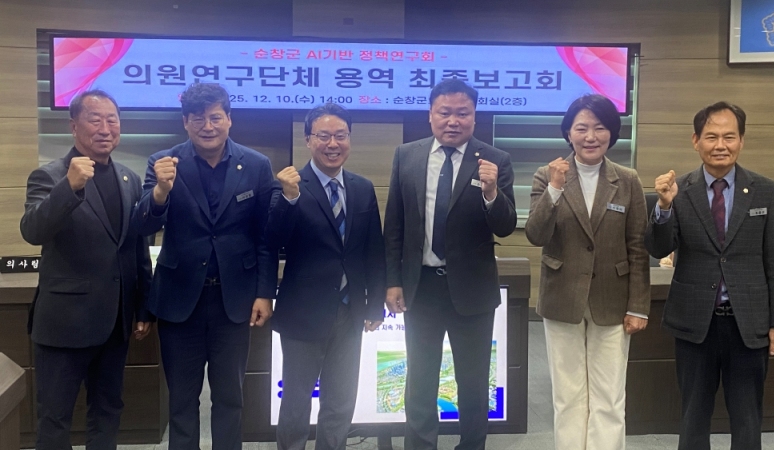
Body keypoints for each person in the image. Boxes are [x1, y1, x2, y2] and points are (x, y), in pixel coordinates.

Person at [132, 83, 275, 449]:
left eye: (215, 117)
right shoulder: (163, 162)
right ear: (185, 122)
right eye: (198, 119)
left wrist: (264, 292)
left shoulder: (256, 165)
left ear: (229, 119)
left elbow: (265, 236)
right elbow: (142, 226)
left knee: (230, 398)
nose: (207, 126)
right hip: (180, 301)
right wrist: (160, 191)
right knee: (181, 400)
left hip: (234, 301)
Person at [645, 101, 774, 450]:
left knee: (747, 418)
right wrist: (664, 206)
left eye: (729, 136)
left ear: (741, 141)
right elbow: (658, 247)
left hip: (749, 324)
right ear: (696, 141)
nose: (720, 145)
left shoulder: (765, 190)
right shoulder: (678, 190)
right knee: (693, 416)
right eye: (711, 137)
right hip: (695, 322)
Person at [383, 78, 516, 450]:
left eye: (463, 113)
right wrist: (392, 280)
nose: (453, 121)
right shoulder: (406, 156)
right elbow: (395, 224)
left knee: (473, 382)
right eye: (445, 112)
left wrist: (491, 192)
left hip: (472, 290)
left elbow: (506, 226)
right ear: (430, 115)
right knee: (420, 380)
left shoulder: (495, 160)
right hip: (421, 287)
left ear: (474, 117)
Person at [20, 90, 153, 449]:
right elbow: (32, 231)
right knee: (54, 417)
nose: (105, 128)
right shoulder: (50, 175)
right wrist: (69, 187)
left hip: (115, 323)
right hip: (65, 324)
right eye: (95, 119)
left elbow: (137, 248)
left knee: (108, 410)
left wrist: (142, 308)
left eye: (112, 120)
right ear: (74, 126)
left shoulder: (129, 179)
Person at [526, 94, 650, 450]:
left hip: (614, 299)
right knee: (568, 397)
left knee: (609, 397)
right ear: (568, 133)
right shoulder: (547, 175)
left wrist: (638, 306)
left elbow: (638, 247)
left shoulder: (627, 180)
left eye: (600, 128)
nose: (591, 136)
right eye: (581, 128)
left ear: (612, 133)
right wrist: (555, 188)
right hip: (562, 295)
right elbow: (536, 235)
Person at [266, 103, 386, 450]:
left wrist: (375, 305)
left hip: (350, 312)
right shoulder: (289, 185)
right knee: (296, 402)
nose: (333, 144)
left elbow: (373, 250)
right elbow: (272, 241)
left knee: (340, 401)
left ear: (349, 139)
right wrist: (289, 199)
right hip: (303, 313)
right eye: (323, 136)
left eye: (340, 135)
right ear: (308, 139)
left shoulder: (362, 188)